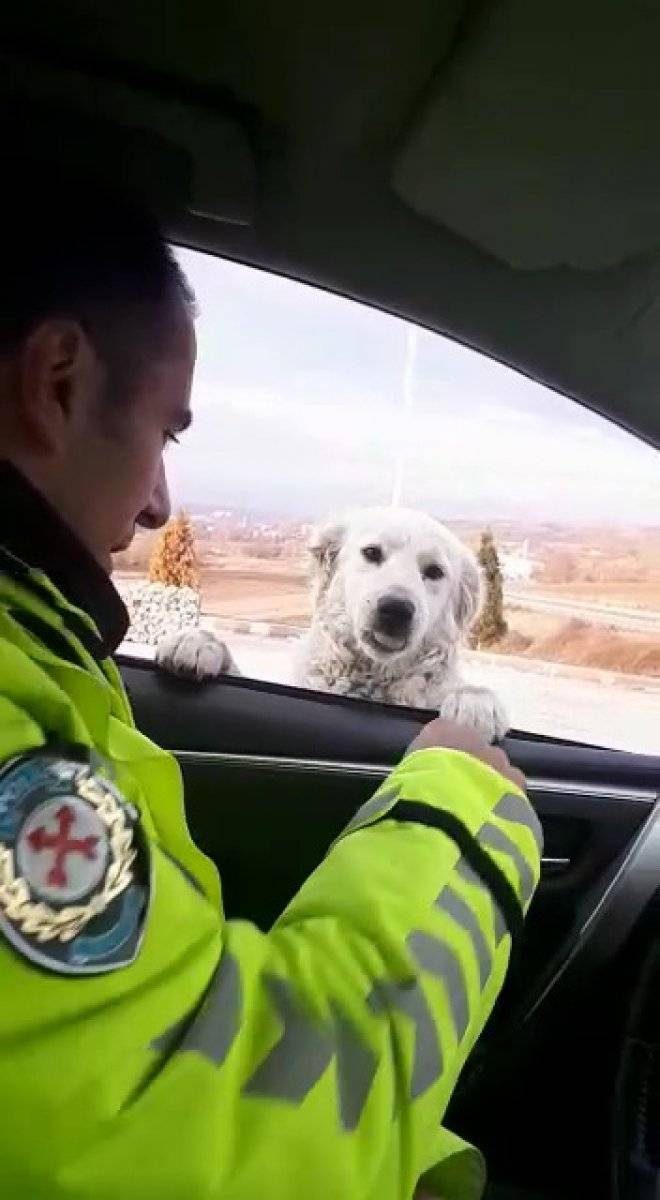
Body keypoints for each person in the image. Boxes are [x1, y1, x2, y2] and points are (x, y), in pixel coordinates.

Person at [0, 169, 542, 1200]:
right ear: (56, 383)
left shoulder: (46, 653)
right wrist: (463, 814)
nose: (161, 505)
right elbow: (251, 1128)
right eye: (166, 433)